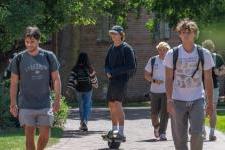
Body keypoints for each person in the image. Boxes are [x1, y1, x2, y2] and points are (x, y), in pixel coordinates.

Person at [164, 18, 214, 150]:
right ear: (179, 34)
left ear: (195, 34)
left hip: (197, 99)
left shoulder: (204, 54)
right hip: (177, 100)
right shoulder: (172, 54)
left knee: (197, 134)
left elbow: (208, 79)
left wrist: (210, 103)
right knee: (179, 138)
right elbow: (168, 78)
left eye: (189, 32)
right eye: (183, 32)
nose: (186, 35)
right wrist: (169, 100)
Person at [10, 26, 61, 150]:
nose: (29, 45)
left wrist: (57, 100)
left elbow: (56, 79)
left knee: (45, 134)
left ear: (38, 40)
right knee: (29, 136)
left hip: (44, 103)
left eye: (32, 42)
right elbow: (14, 83)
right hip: (26, 104)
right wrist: (13, 103)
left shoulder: (49, 56)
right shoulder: (19, 58)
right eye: (27, 42)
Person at [103, 25, 136, 141]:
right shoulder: (111, 48)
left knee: (117, 104)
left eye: (115, 34)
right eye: (111, 34)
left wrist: (114, 72)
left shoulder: (127, 48)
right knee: (111, 105)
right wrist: (107, 71)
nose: (113, 36)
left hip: (121, 81)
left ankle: (121, 132)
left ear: (121, 35)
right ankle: (114, 129)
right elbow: (106, 63)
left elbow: (131, 66)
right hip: (112, 80)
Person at [144, 42, 170, 140]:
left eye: (164, 50)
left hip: (167, 91)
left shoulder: (171, 61)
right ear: (158, 50)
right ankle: (156, 127)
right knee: (154, 113)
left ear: (168, 50)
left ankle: (163, 133)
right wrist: (154, 80)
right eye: (160, 49)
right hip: (154, 91)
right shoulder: (153, 60)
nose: (162, 52)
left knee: (164, 113)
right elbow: (146, 75)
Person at [66, 52, 98, 131]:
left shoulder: (75, 68)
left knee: (81, 106)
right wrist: (95, 85)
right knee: (87, 105)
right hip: (88, 89)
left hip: (79, 89)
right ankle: (85, 122)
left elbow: (71, 80)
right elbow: (93, 79)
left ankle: (82, 122)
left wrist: (69, 89)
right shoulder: (89, 68)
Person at [202, 39, 225, 141]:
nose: (208, 51)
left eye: (209, 49)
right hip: (200, 87)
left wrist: (218, 72)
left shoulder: (217, 57)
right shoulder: (200, 56)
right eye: (205, 49)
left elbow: (223, 69)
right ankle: (203, 131)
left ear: (212, 49)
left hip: (214, 86)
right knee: (201, 109)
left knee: (213, 108)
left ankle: (211, 133)